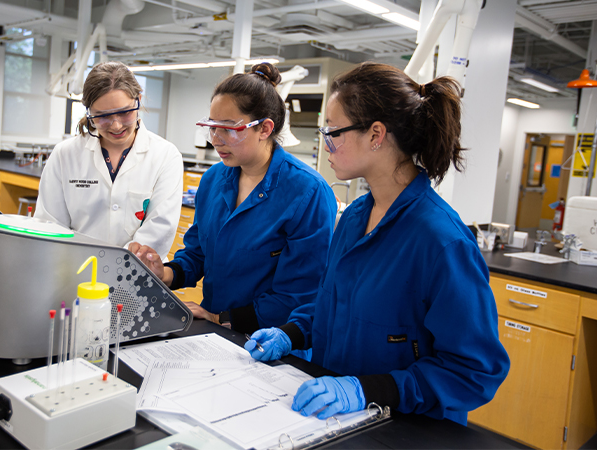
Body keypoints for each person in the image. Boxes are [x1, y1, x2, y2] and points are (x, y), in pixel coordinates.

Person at [245, 62, 510, 425]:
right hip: (330, 417)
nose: (327, 145)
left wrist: (369, 391)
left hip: (405, 429)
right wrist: (291, 333)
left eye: (333, 132)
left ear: (376, 135)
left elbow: (475, 370)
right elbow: (332, 304)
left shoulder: (442, 242)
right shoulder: (355, 217)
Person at [130, 63, 337, 334]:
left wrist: (221, 319)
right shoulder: (214, 180)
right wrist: (165, 273)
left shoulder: (307, 192)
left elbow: (299, 294)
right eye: (212, 127)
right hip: (214, 329)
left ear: (264, 128)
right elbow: (198, 253)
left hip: (273, 340)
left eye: (228, 128)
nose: (216, 139)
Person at [35, 61, 183, 258]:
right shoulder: (65, 154)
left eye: (124, 112)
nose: (116, 125)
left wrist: (115, 268)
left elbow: (159, 229)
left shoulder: (165, 155)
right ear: (89, 113)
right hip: (76, 271)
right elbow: (50, 224)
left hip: (136, 274)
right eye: (103, 116)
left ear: (138, 100)